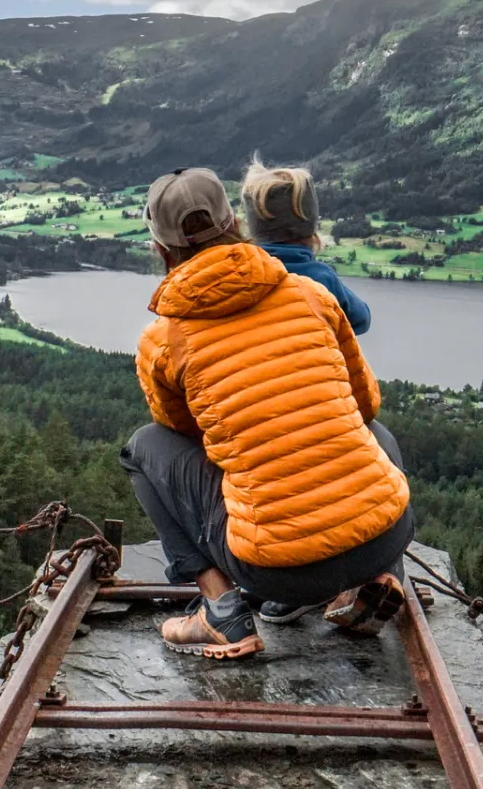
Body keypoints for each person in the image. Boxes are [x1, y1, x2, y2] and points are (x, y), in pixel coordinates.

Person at [119, 167, 416, 660]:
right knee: (372, 429)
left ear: (161, 250)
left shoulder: (163, 342)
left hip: (278, 571)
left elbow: (184, 436)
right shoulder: (311, 295)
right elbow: (364, 405)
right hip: (387, 535)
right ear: (235, 222)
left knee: (143, 447)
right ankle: (379, 578)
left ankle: (221, 612)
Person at [242, 157, 371, 335]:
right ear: (312, 233)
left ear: (253, 232)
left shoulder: (242, 274)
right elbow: (362, 319)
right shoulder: (321, 277)